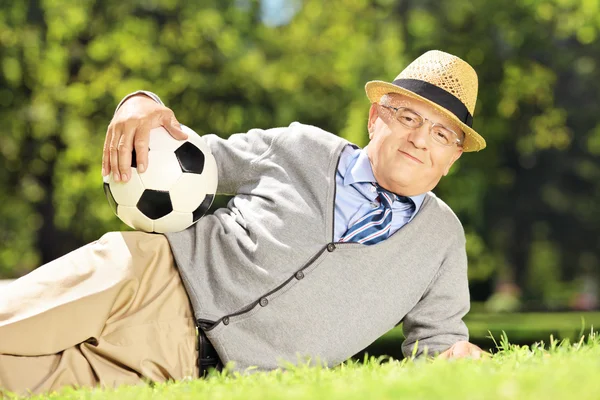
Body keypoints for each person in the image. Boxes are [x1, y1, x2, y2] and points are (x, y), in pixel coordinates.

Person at [0, 50, 487, 395]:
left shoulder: (442, 240)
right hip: (145, 277)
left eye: (442, 133)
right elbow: (182, 155)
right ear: (374, 117)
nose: (421, 139)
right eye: (407, 117)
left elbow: (437, 344)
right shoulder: (300, 147)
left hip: (176, 368)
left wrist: (458, 360)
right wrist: (139, 101)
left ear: (453, 158)